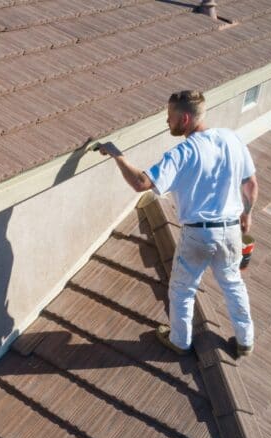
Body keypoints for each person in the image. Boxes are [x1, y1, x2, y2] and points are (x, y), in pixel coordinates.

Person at [97, 90, 258, 357]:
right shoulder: (231, 139)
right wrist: (247, 214)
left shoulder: (184, 152)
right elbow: (251, 184)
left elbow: (141, 183)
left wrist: (117, 155)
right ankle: (245, 341)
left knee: (183, 288)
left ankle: (180, 341)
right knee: (233, 284)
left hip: (199, 234)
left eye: (169, 117)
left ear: (184, 119)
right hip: (230, 230)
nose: (166, 122)